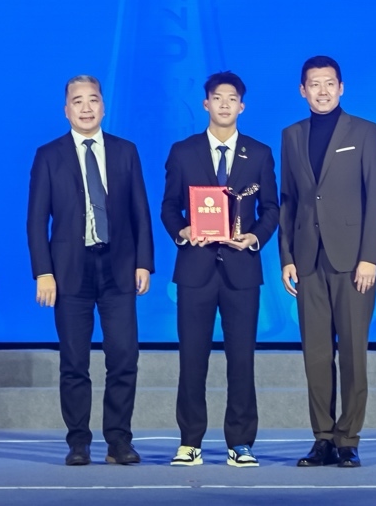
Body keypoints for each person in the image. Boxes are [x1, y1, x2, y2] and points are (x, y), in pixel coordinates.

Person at [26, 75, 154, 466]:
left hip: (119, 268)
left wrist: (144, 262)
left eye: (93, 100)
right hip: (69, 271)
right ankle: (78, 442)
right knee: (74, 361)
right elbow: (36, 221)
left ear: (103, 106)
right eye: (78, 101)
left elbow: (140, 212)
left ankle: (119, 441)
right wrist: (43, 272)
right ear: (66, 110)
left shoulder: (125, 151)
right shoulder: (49, 155)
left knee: (124, 358)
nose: (86, 108)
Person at [161, 71, 279, 468]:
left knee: (241, 360)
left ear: (242, 106)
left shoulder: (259, 153)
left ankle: (241, 442)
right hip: (195, 269)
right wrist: (182, 230)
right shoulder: (183, 151)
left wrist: (255, 237)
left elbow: (272, 209)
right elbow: (168, 207)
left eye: (232, 98)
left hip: (242, 270)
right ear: (205, 104)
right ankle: (189, 441)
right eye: (217, 97)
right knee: (192, 359)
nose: (224, 104)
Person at [279, 56, 376, 468]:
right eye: (314, 84)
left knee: (353, 354)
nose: (322, 91)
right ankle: (322, 438)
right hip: (308, 260)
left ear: (341, 88)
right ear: (302, 90)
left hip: (352, 262)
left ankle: (348, 439)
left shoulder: (364, 131)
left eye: (329, 83)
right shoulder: (292, 135)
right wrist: (287, 257)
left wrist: (370, 257)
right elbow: (288, 200)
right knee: (316, 355)